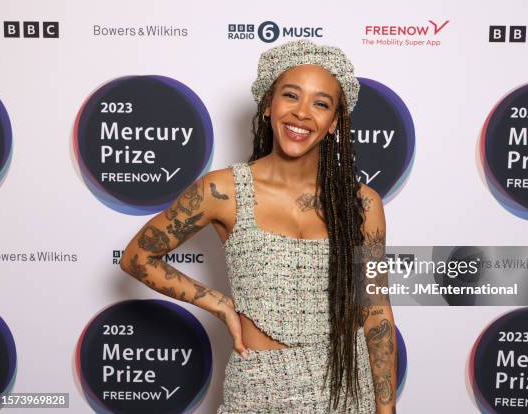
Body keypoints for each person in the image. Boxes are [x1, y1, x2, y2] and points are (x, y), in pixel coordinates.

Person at [120, 39, 397, 413]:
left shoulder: (363, 204)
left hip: (346, 386)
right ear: (269, 105)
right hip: (258, 388)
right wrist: (219, 304)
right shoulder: (222, 190)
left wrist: (386, 409)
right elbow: (138, 256)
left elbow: (377, 309)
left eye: (320, 103)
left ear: (334, 124)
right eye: (290, 96)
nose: (302, 113)